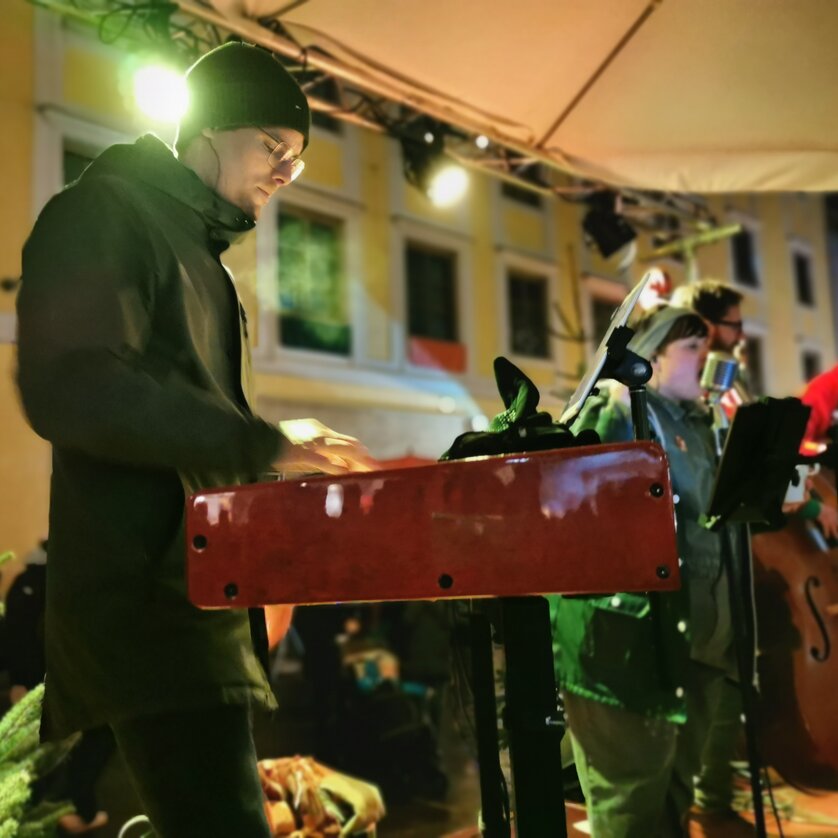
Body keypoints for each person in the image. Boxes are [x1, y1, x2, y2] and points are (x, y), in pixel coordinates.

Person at [16, 41, 381, 838]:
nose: (285, 172)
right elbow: (71, 387)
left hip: (200, 603)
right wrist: (261, 443)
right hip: (153, 611)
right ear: (209, 127)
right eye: (273, 147)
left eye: (297, 159)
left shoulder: (200, 255)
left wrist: (276, 472)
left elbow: (189, 433)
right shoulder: (104, 212)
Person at [551, 305, 743, 837]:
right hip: (630, 648)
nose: (706, 357)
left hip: (697, 644)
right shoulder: (616, 408)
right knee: (632, 807)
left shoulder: (699, 425)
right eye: (691, 347)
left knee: (676, 799)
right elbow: (570, 496)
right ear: (653, 356)